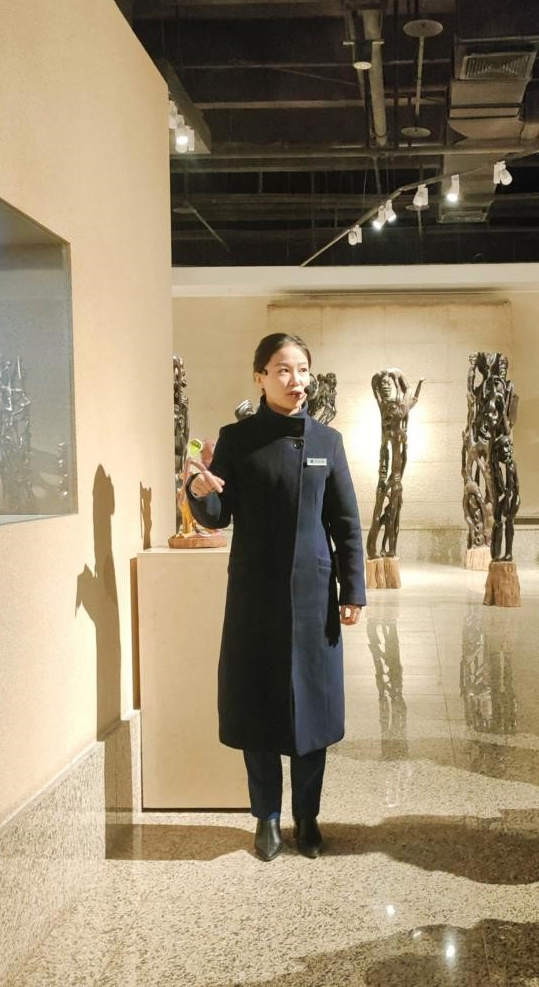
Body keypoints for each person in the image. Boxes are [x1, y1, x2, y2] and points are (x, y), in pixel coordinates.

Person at [189, 333, 365, 862]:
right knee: (258, 707)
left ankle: (307, 818)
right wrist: (199, 495)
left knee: (312, 711)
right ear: (260, 377)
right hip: (254, 595)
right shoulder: (237, 439)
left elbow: (345, 522)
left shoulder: (327, 442)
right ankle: (266, 818)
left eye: (303, 369)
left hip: (313, 595)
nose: (296, 380)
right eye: (283, 370)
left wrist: (353, 589)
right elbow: (220, 514)